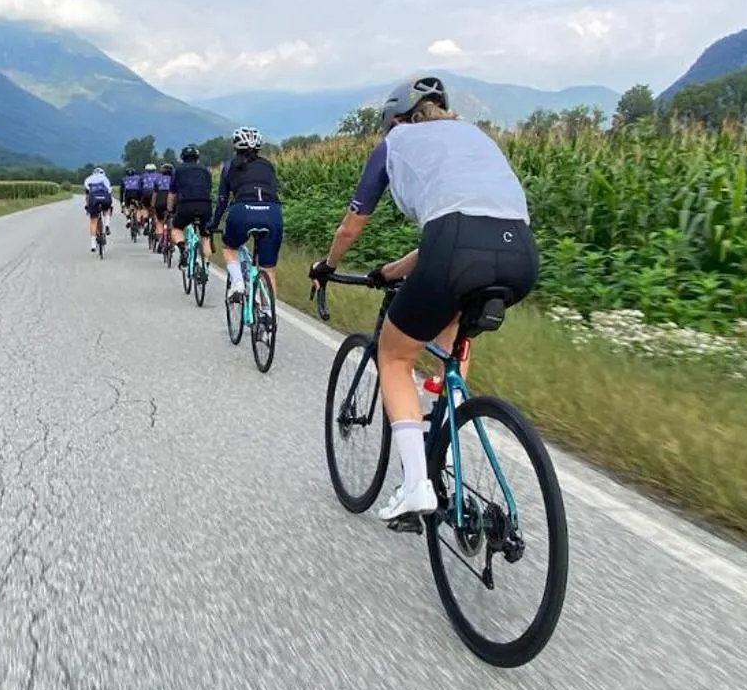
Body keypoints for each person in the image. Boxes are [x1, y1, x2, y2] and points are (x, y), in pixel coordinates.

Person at [309, 77, 538, 525]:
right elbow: (468, 230)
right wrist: (389, 272)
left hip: (454, 247)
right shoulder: (476, 137)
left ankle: (417, 484)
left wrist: (328, 266)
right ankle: (445, 431)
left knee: (394, 357)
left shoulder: (395, 142)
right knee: (453, 336)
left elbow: (352, 227)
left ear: (396, 118)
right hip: (521, 253)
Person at [211, 127, 282, 300]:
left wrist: (213, 224)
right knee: (268, 268)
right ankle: (268, 312)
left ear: (236, 146)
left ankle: (238, 283)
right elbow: (272, 191)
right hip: (272, 212)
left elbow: (222, 200)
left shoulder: (229, 167)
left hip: (241, 211)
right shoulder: (268, 165)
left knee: (230, 248)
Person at [168, 146, 215, 267]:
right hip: (205, 205)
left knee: (177, 228)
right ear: (197, 158)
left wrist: (170, 209)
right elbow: (209, 189)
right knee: (205, 236)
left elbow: (172, 193)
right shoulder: (206, 170)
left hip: (185, 205)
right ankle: (206, 267)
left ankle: (183, 249)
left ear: (183, 158)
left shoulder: (177, 170)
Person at [83, 165, 114, 251]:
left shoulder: (88, 179)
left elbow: (87, 196)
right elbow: (109, 192)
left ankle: (93, 245)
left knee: (93, 222)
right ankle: (107, 224)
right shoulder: (105, 179)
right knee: (107, 210)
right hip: (105, 199)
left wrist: (87, 206)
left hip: (94, 200)